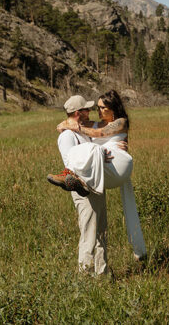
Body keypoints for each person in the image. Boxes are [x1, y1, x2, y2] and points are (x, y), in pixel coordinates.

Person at [49, 90, 146, 260]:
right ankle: (96, 272)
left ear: (113, 108)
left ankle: (99, 272)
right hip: (98, 171)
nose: (98, 111)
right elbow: (75, 126)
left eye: (102, 108)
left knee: (98, 229)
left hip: (115, 165)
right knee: (96, 230)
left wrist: (103, 148)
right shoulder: (91, 125)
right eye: (97, 108)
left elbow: (100, 134)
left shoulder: (121, 122)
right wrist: (65, 125)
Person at [53, 94, 109, 276]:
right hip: (82, 189)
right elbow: (72, 164)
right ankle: (85, 276)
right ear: (78, 113)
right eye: (86, 109)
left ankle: (102, 275)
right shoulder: (67, 136)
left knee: (101, 233)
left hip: (96, 187)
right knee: (89, 234)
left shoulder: (81, 132)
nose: (90, 112)